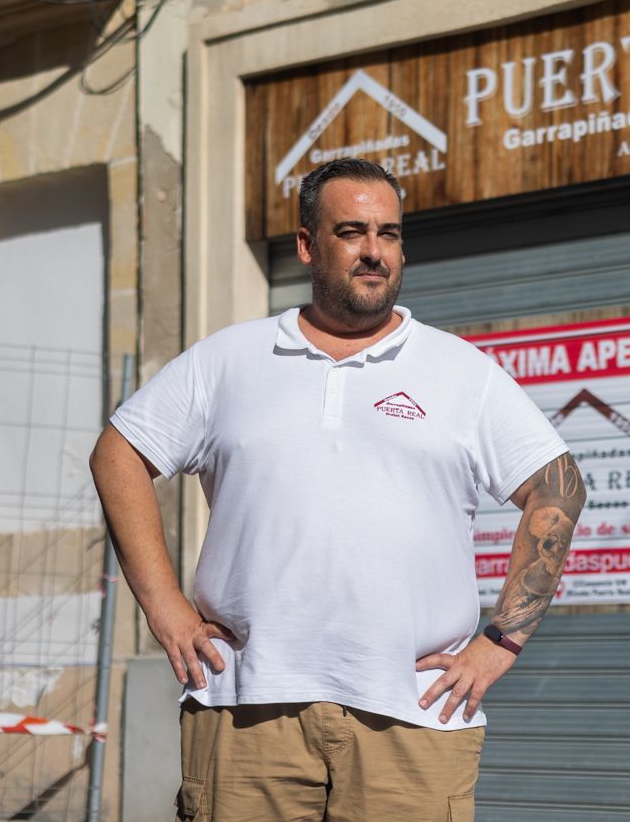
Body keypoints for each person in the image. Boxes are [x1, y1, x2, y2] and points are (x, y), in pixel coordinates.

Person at [89, 158, 585, 821]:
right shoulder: (228, 361)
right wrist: (163, 604)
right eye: (352, 231)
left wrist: (500, 643)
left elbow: (558, 490)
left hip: (413, 719)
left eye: (390, 234)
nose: (375, 252)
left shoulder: (461, 372)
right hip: (244, 712)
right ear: (306, 245)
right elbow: (118, 453)